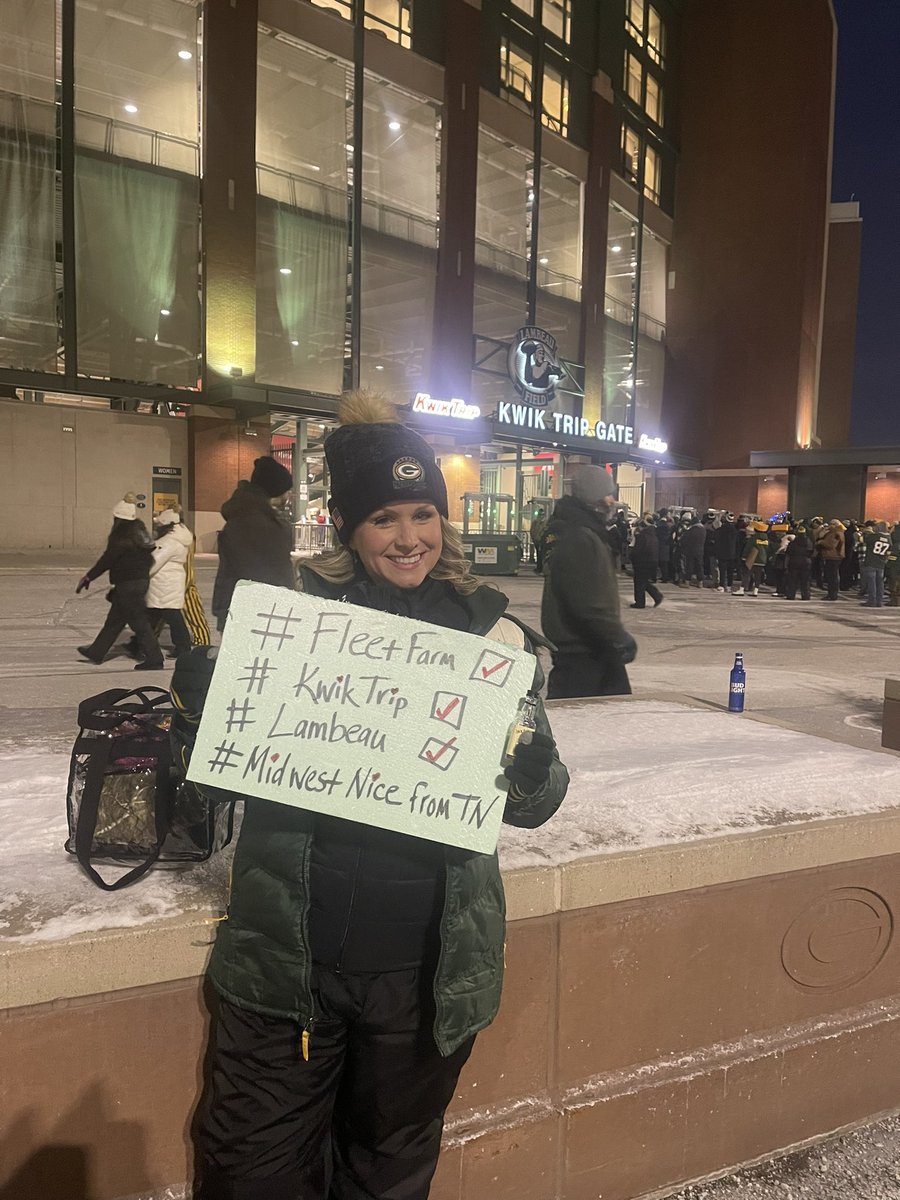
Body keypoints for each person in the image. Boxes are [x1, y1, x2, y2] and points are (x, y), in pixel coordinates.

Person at [192, 391, 569, 1200]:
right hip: (288, 968)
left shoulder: (491, 638)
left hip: (421, 977)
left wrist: (530, 759)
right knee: (250, 1170)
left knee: (387, 1171)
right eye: (385, 519)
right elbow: (218, 780)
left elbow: (538, 801)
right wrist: (206, 710)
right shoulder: (296, 623)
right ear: (347, 528)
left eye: (423, 515)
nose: (409, 538)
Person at [540, 465, 636, 697]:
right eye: (607, 494)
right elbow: (585, 600)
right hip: (586, 658)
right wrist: (617, 637)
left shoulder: (583, 531)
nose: (612, 501)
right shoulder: (580, 537)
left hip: (591, 654)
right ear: (594, 498)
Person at [75, 493, 164, 670]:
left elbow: (108, 559)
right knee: (115, 620)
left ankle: (155, 659)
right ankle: (96, 651)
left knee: (139, 623)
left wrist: (89, 576)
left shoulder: (121, 535)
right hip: (138, 581)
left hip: (128, 584)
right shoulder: (140, 532)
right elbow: (149, 557)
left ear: (118, 517)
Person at [212, 455, 296, 632]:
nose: (289, 495)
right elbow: (268, 575)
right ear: (275, 490)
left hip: (239, 609)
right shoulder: (258, 524)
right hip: (255, 616)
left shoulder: (245, 515)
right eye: (287, 490)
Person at [143, 509, 193, 658]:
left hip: (163, 586)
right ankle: (180, 647)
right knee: (164, 616)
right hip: (168, 584)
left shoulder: (168, 542)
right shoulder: (177, 540)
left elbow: (153, 562)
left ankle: (181, 647)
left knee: (168, 617)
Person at [630, 515, 664, 609]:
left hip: (642, 561)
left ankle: (640, 602)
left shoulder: (641, 536)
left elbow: (637, 550)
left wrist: (632, 557)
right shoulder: (654, 535)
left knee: (639, 582)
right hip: (652, 561)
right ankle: (657, 596)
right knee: (643, 581)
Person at [861, 520, 891, 608]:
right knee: (880, 583)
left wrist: (868, 531)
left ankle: (871, 601)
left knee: (871, 583)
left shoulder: (874, 536)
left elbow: (862, 540)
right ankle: (879, 601)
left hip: (871, 561)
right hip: (881, 563)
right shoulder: (889, 539)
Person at [784, 525, 813, 600]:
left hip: (794, 561)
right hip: (806, 562)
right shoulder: (809, 542)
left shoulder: (793, 543)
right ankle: (805, 595)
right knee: (805, 580)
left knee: (792, 579)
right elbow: (811, 552)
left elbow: (788, 552)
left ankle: (791, 595)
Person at [819, 519, 845, 601]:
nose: (829, 526)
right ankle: (831, 594)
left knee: (832, 577)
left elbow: (831, 544)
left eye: (831, 524)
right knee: (832, 576)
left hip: (833, 556)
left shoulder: (835, 533)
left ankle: (832, 594)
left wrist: (821, 542)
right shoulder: (837, 532)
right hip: (833, 556)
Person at [714, 513, 738, 592]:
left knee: (722, 570)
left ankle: (721, 585)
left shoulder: (720, 530)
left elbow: (717, 542)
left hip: (722, 553)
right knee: (730, 571)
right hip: (732, 553)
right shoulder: (735, 530)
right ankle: (729, 586)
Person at [680, 516, 706, 587]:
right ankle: (700, 582)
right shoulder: (703, 530)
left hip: (691, 550)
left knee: (689, 566)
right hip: (700, 551)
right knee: (699, 566)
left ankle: (687, 582)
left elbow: (684, 540)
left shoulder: (691, 530)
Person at [530, 505, 547, 572]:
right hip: (537, 541)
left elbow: (545, 531)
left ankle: (542, 568)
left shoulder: (546, 523)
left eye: (542, 515)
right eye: (540, 515)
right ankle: (539, 567)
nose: (540, 516)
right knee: (538, 555)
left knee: (542, 555)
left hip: (542, 542)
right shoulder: (535, 523)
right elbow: (532, 531)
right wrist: (534, 538)